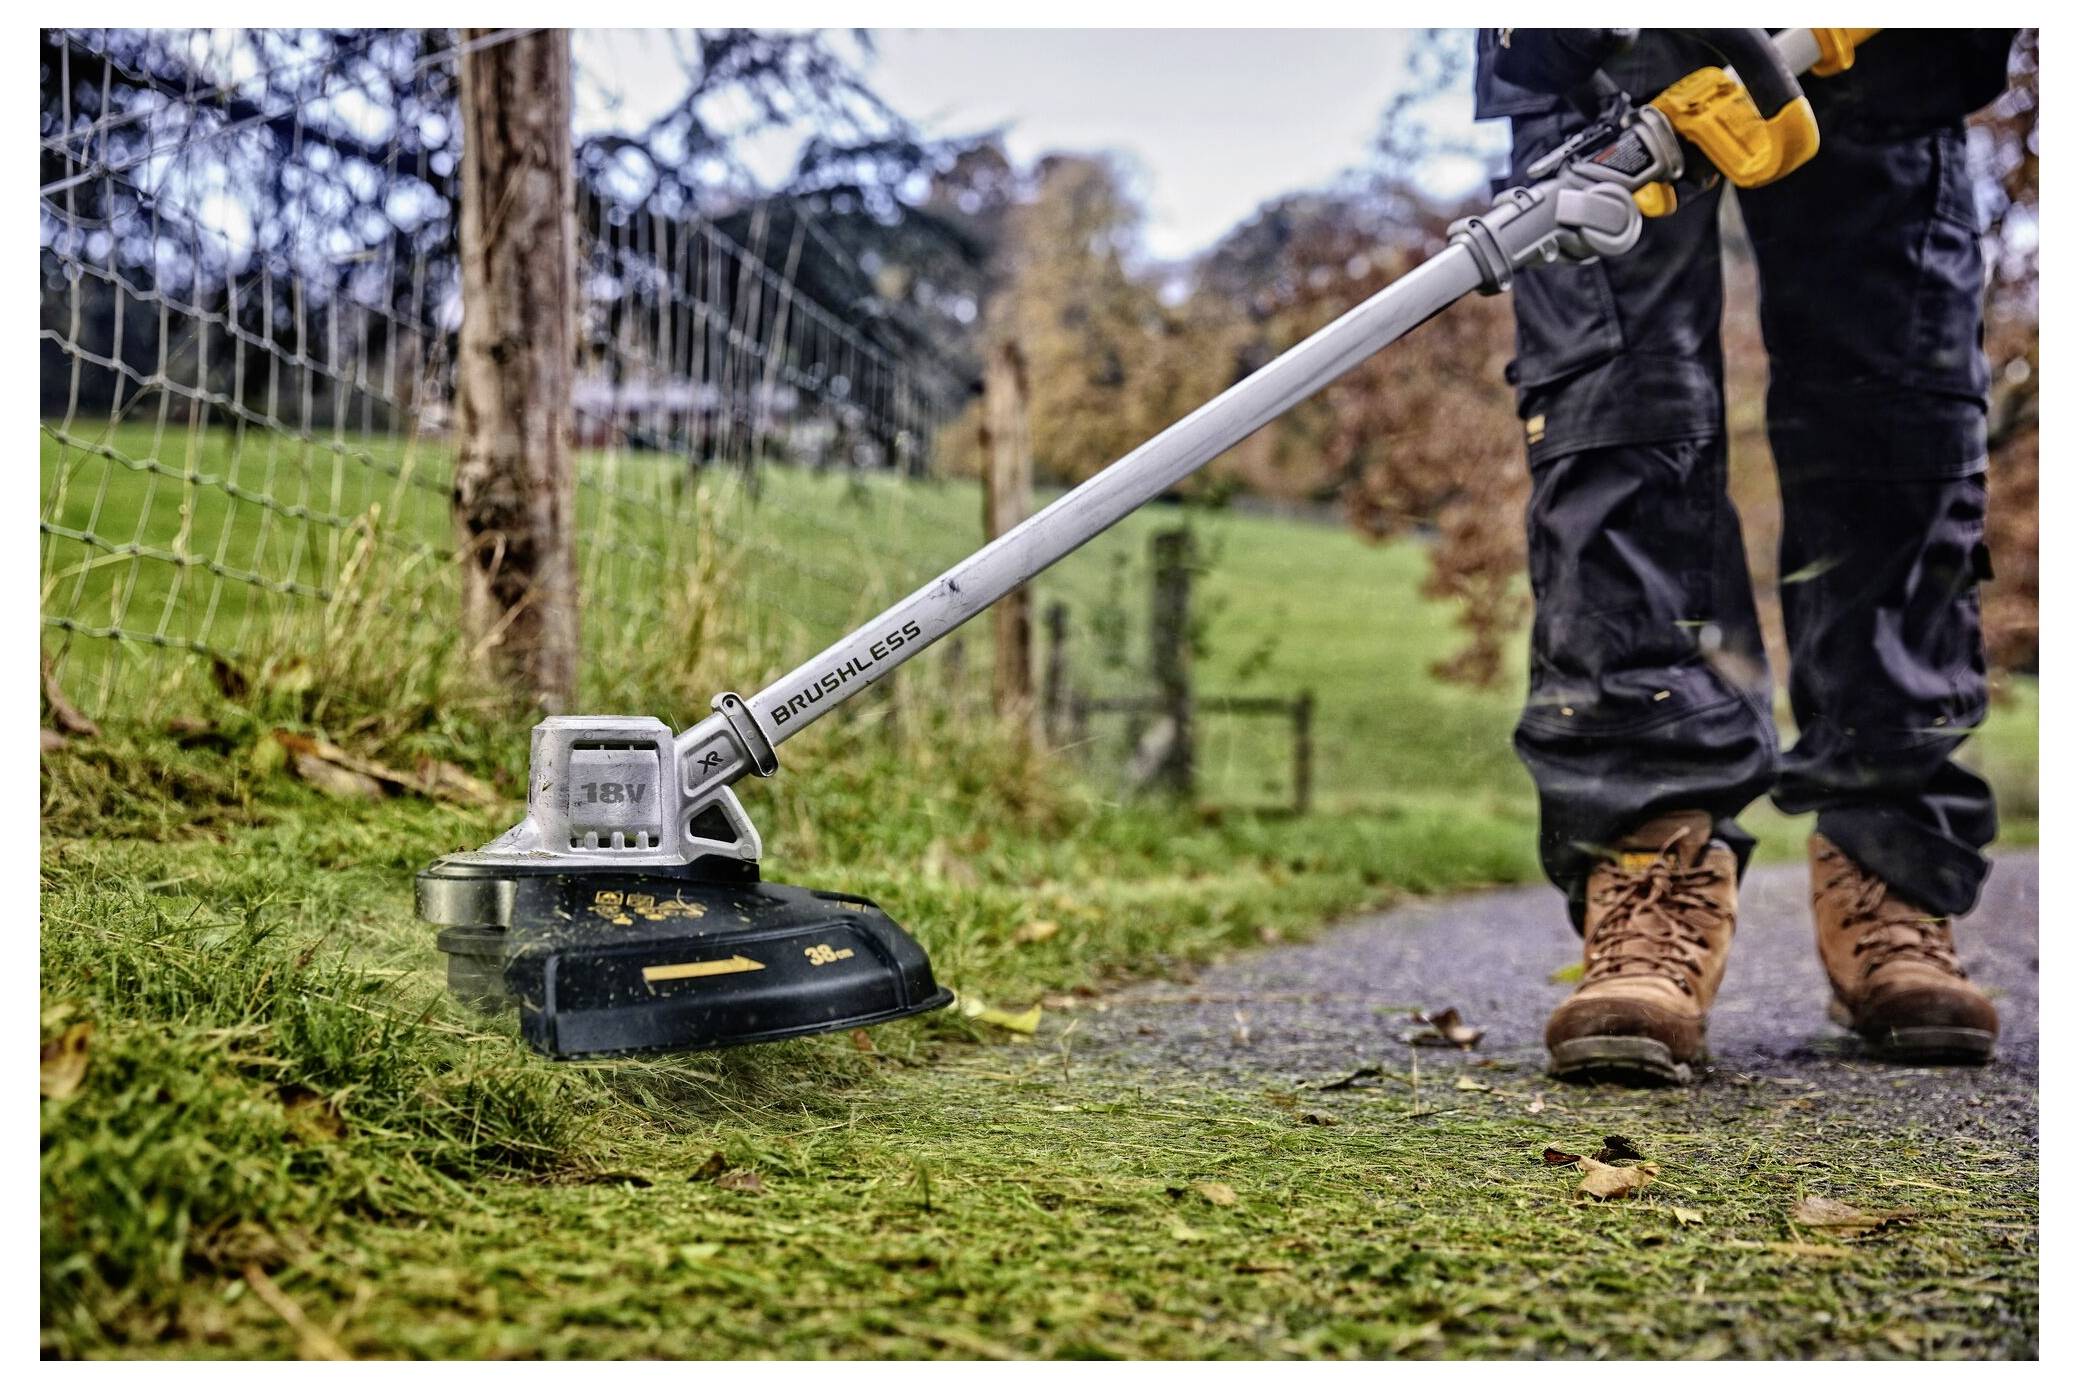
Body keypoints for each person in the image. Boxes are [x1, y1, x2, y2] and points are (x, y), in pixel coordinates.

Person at [1473, 28, 2019, 1085]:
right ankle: (1650, 855)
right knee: (1615, 426)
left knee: (1900, 437)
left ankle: (1890, 855)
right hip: (1604, 45)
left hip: (1884, 47)